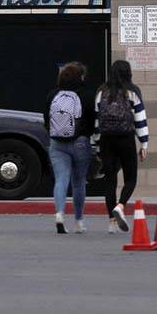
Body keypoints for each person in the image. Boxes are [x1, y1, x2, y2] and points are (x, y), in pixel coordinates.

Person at [94, 60, 149, 233]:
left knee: (110, 181)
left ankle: (111, 222)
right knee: (130, 178)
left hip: (106, 139)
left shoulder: (101, 92)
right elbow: (140, 119)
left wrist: (95, 143)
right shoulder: (132, 92)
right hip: (126, 139)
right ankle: (121, 205)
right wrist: (144, 143)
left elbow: (97, 121)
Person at [43, 61, 96, 235]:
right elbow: (93, 121)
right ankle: (79, 221)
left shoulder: (52, 95)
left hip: (57, 143)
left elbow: (46, 120)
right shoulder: (87, 95)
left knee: (61, 179)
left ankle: (59, 214)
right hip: (80, 142)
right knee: (79, 182)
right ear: (80, 77)